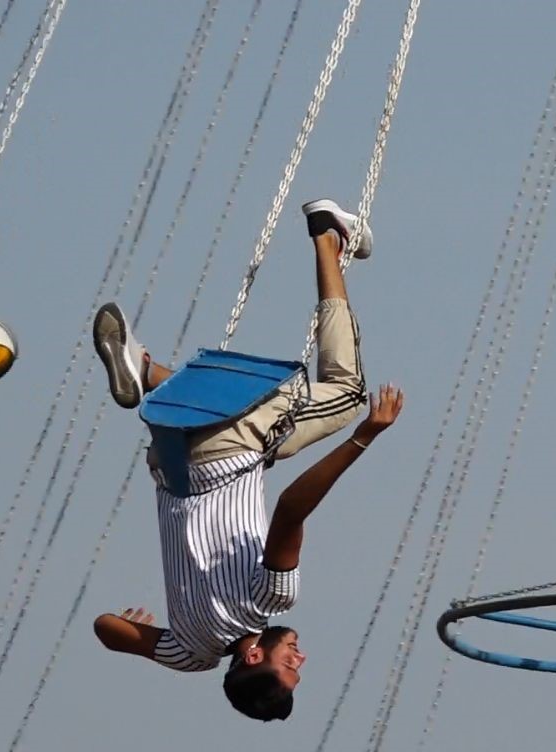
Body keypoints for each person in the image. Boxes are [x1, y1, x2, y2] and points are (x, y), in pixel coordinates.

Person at [90, 199, 402, 722]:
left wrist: (365, 439)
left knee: (346, 394)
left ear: (254, 656)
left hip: (231, 448)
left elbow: (290, 511)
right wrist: (132, 625)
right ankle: (146, 373)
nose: (300, 656)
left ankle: (326, 234)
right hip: (172, 461)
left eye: (290, 664)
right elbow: (104, 629)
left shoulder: (270, 601)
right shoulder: (190, 654)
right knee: (274, 442)